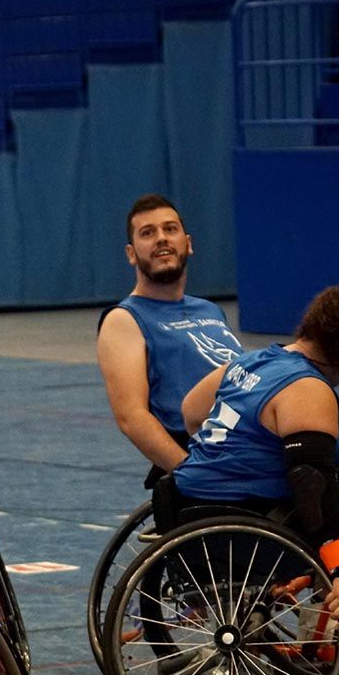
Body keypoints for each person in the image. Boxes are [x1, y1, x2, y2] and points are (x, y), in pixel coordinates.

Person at [172, 285, 339, 616]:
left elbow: (192, 413)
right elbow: (313, 488)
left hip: (189, 505)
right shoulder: (307, 388)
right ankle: (325, 604)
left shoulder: (250, 362)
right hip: (254, 525)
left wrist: (228, 463)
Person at [97, 193, 243, 486]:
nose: (161, 238)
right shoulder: (124, 319)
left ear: (187, 244)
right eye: (148, 233)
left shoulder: (210, 310)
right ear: (131, 253)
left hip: (254, 428)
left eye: (170, 229)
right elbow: (132, 417)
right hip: (215, 451)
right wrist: (192, 473)